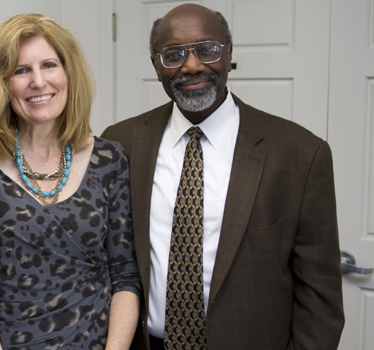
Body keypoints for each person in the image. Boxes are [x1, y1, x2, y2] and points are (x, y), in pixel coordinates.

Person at [100, 4, 344, 350]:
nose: (192, 65)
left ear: (229, 54)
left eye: (207, 50)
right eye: (173, 55)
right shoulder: (121, 142)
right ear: (156, 67)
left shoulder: (300, 153)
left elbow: (321, 297)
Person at [0, 14, 141, 350]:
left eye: (49, 65)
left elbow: (124, 275)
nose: (38, 81)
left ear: (69, 73)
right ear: (3, 83)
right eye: (21, 70)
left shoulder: (110, 159)